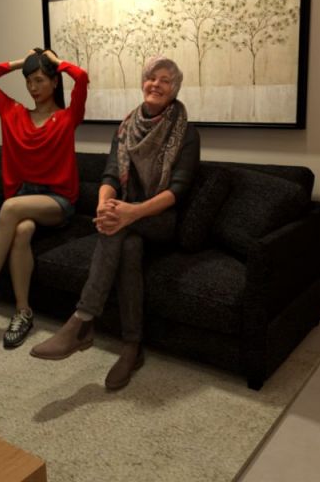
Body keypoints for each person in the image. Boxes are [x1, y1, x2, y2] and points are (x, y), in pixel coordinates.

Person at [30, 56, 199, 390]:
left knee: (119, 228)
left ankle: (81, 321)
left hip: (161, 219)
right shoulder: (125, 128)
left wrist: (130, 213)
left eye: (165, 80)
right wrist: (104, 206)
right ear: (143, 82)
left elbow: (177, 191)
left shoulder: (187, 133)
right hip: (127, 218)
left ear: (175, 89)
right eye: (151, 77)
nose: (156, 84)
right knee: (128, 245)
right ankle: (132, 347)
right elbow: (110, 175)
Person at [0, 49, 88, 349]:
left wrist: (56, 62)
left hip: (57, 201)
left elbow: (81, 78)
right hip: (23, 198)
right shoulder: (12, 113)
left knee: (10, 207)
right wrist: (21, 62)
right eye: (28, 81)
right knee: (22, 231)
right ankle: (23, 312)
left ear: (54, 82)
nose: (32, 87)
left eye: (39, 80)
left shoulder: (67, 118)